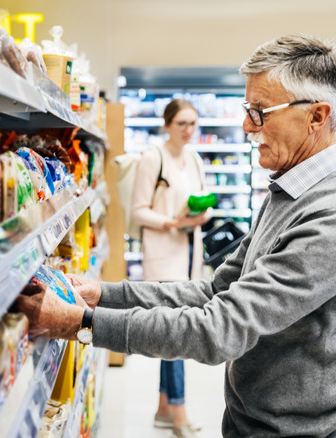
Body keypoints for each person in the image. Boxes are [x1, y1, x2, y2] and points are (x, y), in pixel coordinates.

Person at [16, 35, 336, 437]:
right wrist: (102, 294)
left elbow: (219, 328)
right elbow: (215, 291)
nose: (247, 124)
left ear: (317, 116)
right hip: (253, 422)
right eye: (247, 109)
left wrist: (80, 323)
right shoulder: (289, 191)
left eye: (260, 111)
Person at [131, 99, 209, 436]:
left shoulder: (193, 158)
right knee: (177, 334)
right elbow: (137, 210)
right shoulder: (152, 158)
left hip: (190, 255)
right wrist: (171, 223)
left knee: (170, 334)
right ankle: (179, 413)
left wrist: (201, 215)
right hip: (164, 256)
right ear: (167, 124)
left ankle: (163, 408)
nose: (188, 130)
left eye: (193, 123)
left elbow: (202, 197)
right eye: (182, 124)